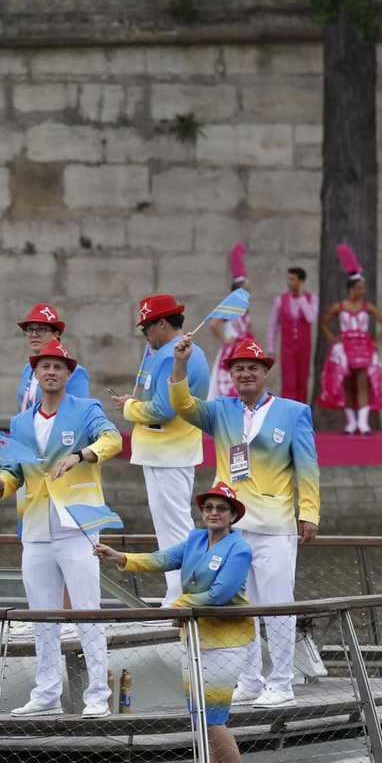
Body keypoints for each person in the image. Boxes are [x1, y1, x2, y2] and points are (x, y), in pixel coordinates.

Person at [93, 481, 264, 763]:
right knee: (202, 717)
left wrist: (180, 605)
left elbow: (220, 594)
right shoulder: (195, 539)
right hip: (194, 637)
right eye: (208, 507)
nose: (214, 513)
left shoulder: (239, 549)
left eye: (221, 509)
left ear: (233, 516)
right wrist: (121, 557)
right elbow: (162, 559)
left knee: (212, 718)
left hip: (226, 641)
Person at [168, 334, 319, 708]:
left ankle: (281, 682)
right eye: (239, 369)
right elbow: (182, 404)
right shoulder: (221, 410)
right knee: (238, 605)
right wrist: (180, 362)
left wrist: (308, 513)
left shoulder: (293, 412)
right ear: (231, 375)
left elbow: (308, 467)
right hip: (231, 527)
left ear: (265, 372)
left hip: (274, 524)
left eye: (253, 367)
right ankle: (250, 679)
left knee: (277, 605)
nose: (246, 374)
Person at [0, 339, 120, 717]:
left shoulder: (86, 408)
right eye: (44, 366)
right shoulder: (19, 422)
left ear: (67, 374)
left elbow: (112, 439)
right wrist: (1, 485)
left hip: (77, 525)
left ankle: (98, 694)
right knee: (42, 614)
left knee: (87, 610)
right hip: (35, 526)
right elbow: (12, 469)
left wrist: (81, 455)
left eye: (58, 367)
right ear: (35, 374)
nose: (51, 372)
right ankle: (46, 693)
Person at [111, 293, 211, 606]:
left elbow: (162, 410)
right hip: (174, 450)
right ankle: (179, 591)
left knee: (174, 529)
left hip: (167, 452)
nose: (145, 334)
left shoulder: (172, 356)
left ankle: (182, 594)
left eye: (146, 327)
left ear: (162, 324)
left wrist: (130, 407)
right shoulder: (188, 352)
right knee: (174, 526)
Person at [318, 244, 382, 434]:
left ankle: (363, 423)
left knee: (362, 382)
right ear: (352, 289)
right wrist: (333, 337)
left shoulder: (367, 306)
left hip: (363, 348)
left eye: (363, 288)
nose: (363, 291)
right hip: (345, 347)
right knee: (348, 384)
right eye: (360, 288)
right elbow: (323, 322)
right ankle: (350, 423)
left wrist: (376, 341)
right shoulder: (339, 306)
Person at [15, 303, 89, 411]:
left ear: (56, 334)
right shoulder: (28, 369)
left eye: (41, 329)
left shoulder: (75, 371)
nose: (34, 335)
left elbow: (80, 411)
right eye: (30, 329)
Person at [267, 266, 318, 403]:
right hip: (287, 347)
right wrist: (271, 348)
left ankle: (301, 412)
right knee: (288, 382)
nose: (288, 282)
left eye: (292, 279)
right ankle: (287, 412)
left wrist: (301, 297)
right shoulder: (280, 300)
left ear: (300, 281)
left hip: (304, 347)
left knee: (303, 381)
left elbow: (311, 317)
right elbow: (272, 325)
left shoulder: (312, 299)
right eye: (288, 279)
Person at [208, 243, 253, 398]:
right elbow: (213, 324)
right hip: (231, 350)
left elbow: (249, 327)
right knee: (227, 386)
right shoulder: (230, 306)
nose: (248, 286)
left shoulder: (245, 307)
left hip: (244, 349)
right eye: (246, 283)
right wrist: (224, 340)